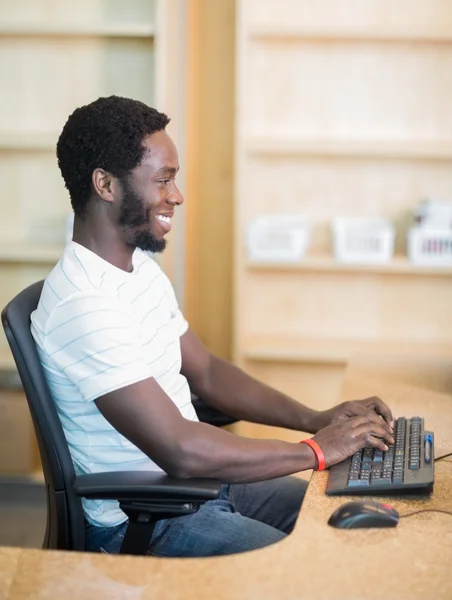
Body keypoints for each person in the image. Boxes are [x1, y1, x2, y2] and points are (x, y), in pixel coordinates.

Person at [31, 96, 394, 557]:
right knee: (316, 567)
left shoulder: (137, 270)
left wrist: (316, 418)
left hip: (200, 486)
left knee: (352, 522)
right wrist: (316, 451)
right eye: (163, 180)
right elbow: (180, 449)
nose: (177, 195)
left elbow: (205, 371)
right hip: (148, 519)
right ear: (105, 184)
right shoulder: (84, 306)